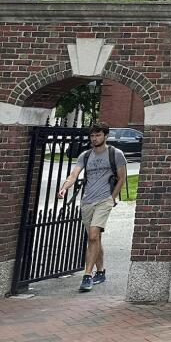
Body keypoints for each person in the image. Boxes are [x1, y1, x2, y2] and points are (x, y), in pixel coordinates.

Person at [56, 124, 128, 293]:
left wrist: (112, 198)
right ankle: (101, 272)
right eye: (92, 136)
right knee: (94, 239)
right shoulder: (85, 155)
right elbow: (74, 174)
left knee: (94, 234)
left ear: (105, 136)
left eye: (98, 135)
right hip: (87, 201)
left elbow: (122, 178)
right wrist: (65, 186)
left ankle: (87, 276)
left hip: (104, 200)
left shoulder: (115, 154)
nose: (94, 138)